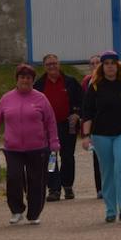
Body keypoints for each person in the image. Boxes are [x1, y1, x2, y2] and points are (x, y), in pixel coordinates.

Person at [0, 63, 59, 225]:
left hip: (37, 147)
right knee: (14, 178)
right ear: (17, 79)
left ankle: (34, 213)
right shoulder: (6, 98)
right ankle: (16, 210)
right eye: (22, 77)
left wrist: (54, 143)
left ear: (33, 80)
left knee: (36, 181)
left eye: (29, 78)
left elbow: (51, 122)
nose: (25, 80)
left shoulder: (41, 98)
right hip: (13, 148)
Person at [80, 50, 121, 223]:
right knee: (108, 172)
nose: (110, 66)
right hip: (101, 135)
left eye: (113, 63)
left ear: (118, 65)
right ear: (102, 66)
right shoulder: (94, 86)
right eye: (107, 63)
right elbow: (87, 112)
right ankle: (110, 208)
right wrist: (86, 136)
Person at [34, 53, 83, 201]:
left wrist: (77, 114)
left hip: (68, 125)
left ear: (59, 64)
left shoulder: (71, 82)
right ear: (44, 67)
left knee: (68, 156)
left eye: (54, 63)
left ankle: (67, 186)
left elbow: (83, 101)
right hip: (47, 127)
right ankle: (53, 189)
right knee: (51, 157)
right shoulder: (39, 85)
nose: (52, 66)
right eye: (49, 64)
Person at [80, 54, 103, 199]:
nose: (95, 65)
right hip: (93, 125)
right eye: (92, 63)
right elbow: (84, 106)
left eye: (97, 63)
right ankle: (100, 188)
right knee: (97, 157)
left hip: (108, 123)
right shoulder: (87, 82)